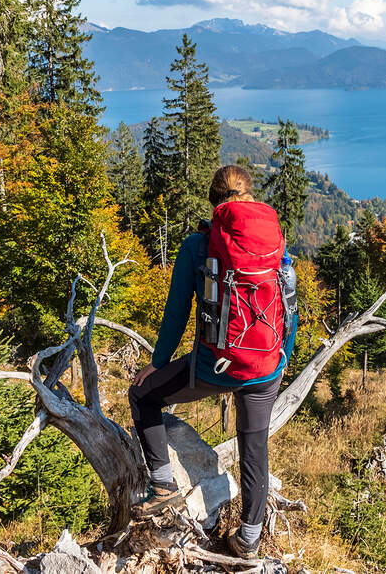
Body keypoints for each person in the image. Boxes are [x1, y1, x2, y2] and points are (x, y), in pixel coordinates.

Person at [128, 165, 293, 559]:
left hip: (214, 368)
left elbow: (175, 313)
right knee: (254, 446)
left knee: (143, 396)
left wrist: (158, 361)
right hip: (267, 365)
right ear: (249, 195)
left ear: (214, 202)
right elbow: (288, 303)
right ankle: (249, 538)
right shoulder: (273, 241)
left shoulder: (196, 246)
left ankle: (163, 485)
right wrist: (281, 355)